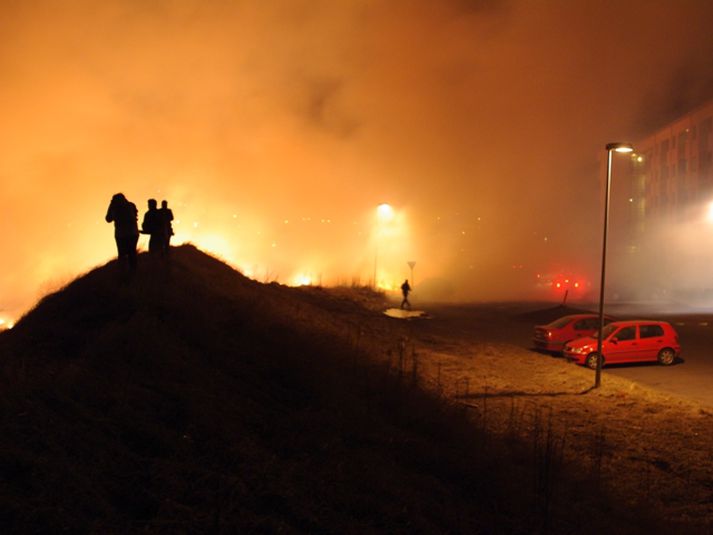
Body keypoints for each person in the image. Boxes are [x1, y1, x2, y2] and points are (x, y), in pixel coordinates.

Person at [105, 193, 139, 273]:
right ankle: (133, 271)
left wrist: (111, 206)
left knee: (122, 254)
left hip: (121, 234)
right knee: (132, 253)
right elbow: (135, 216)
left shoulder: (114, 207)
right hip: (133, 233)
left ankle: (123, 273)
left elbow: (108, 219)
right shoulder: (131, 205)